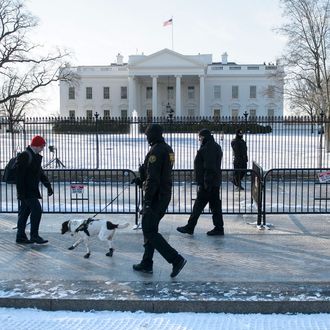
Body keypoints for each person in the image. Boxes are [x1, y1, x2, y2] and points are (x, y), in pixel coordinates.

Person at [132, 124, 186, 278]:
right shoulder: (168, 149)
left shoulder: (155, 151)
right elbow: (159, 172)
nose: (146, 137)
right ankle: (147, 263)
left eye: (148, 135)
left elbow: (154, 178)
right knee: (150, 229)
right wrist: (141, 179)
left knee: (148, 230)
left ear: (152, 135)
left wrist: (147, 201)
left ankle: (176, 259)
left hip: (156, 197)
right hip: (164, 194)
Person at [177, 129, 224, 236]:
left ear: (205, 137)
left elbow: (210, 167)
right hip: (213, 182)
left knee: (198, 206)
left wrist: (206, 183)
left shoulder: (208, 148)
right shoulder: (213, 145)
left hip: (208, 183)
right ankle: (219, 228)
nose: (199, 139)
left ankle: (190, 227)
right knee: (215, 206)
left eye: (200, 137)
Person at [15, 135, 53, 244]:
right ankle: (34, 235)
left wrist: (48, 186)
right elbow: (19, 176)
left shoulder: (34, 156)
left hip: (31, 190)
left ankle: (20, 236)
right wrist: (20, 193)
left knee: (24, 213)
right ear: (36, 146)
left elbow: (40, 174)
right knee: (36, 210)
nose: (42, 149)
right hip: (26, 191)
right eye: (42, 146)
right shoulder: (25, 155)